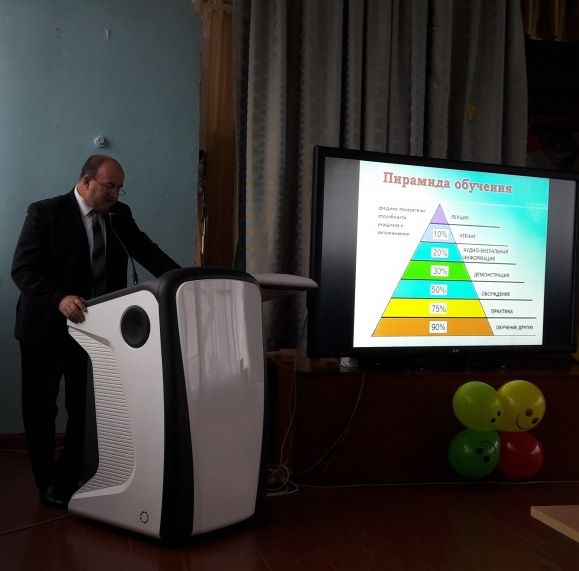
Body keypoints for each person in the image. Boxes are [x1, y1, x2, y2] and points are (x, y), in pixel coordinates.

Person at [11, 155, 180, 508]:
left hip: (96, 330)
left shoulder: (120, 215)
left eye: (120, 188)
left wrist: (184, 279)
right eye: (109, 186)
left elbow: (147, 251)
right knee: (40, 410)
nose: (115, 194)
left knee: (85, 407)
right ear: (86, 181)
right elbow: (23, 270)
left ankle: (68, 477)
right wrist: (58, 298)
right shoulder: (45, 213)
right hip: (44, 328)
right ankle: (46, 482)